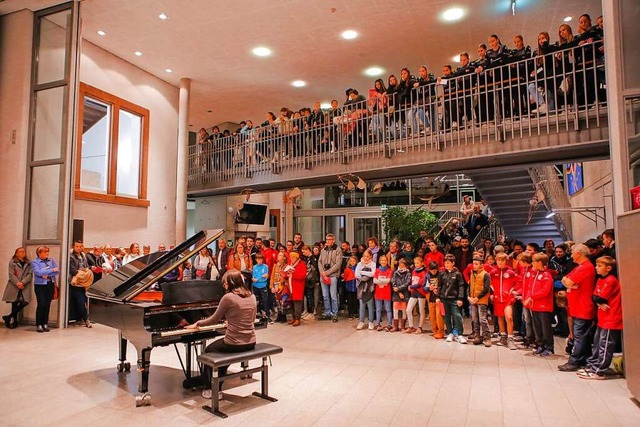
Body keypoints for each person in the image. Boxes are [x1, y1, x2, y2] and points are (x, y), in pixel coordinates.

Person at [185, 270, 256, 399]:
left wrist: (197, 324)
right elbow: (251, 319)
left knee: (208, 351)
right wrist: (232, 321)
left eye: (224, 283)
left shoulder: (228, 297)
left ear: (230, 283)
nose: (223, 285)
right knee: (221, 354)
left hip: (234, 343)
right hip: (251, 342)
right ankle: (217, 386)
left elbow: (213, 320)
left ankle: (210, 389)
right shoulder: (251, 296)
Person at [579, 256, 622, 380]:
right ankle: (593, 365)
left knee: (605, 345)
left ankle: (599, 371)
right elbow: (593, 297)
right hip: (602, 317)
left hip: (611, 318)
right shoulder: (600, 279)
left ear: (608, 268)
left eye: (599, 266)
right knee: (597, 343)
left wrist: (598, 301)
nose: (596, 268)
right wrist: (598, 302)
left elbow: (599, 298)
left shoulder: (610, 280)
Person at [559, 243, 596, 372]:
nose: (571, 255)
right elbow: (566, 280)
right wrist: (569, 283)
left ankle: (574, 361)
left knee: (579, 336)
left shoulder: (585, 268)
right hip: (578, 306)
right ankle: (583, 359)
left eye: (573, 253)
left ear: (579, 253)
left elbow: (567, 281)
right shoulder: (580, 267)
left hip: (583, 307)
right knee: (581, 335)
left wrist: (569, 283)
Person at [525, 253, 555, 357]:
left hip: (544, 306)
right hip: (534, 306)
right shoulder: (534, 273)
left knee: (545, 327)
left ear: (540, 263)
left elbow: (545, 291)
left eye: (534, 261)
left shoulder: (547, 275)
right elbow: (529, 287)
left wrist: (531, 296)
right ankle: (540, 345)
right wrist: (528, 297)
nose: (532, 263)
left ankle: (549, 347)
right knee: (537, 327)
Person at [490, 252, 519, 349]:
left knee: (509, 317)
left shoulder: (510, 272)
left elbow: (520, 281)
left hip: (508, 299)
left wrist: (514, 290)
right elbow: (488, 284)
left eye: (502, 260)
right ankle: (503, 336)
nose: (500, 262)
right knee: (500, 318)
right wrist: (491, 294)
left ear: (506, 261)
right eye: (498, 260)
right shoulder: (493, 272)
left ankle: (510, 338)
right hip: (498, 299)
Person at [439, 254, 467, 343]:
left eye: (448, 263)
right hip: (444, 299)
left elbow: (461, 286)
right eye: (445, 263)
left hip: (455, 299)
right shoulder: (442, 273)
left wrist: (460, 298)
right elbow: (439, 286)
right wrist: (438, 297)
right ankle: (450, 333)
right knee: (447, 317)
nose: (446, 265)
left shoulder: (458, 274)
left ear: (453, 263)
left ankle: (460, 334)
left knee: (457, 316)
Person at [2, 247, 32, 329]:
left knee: (25, 301)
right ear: (16, 253)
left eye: (23, 251)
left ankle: (8, 317)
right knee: (14, 303)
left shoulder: (28, 263)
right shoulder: (12, 262)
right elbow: (11, 274)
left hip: (24, 285)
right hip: (14, 285)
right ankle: (14, 321)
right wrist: (18, 283)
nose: (22, 253)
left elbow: (30, 274)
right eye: (20, 251)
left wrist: (23, 282)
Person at [31, 246, 59, 332]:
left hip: (50, 284)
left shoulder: (51, 260)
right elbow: (38, 272)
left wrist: (47, 273)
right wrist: (51, 270)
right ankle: (39, 324)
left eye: (48, 251)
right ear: (39, 253)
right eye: (45, 252)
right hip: (40, 286)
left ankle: (45, 323)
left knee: (47, 305)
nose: (47, 253)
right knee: (41, 304)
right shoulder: (34, 262)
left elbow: (57, 271)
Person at [318, 233, 343, 322]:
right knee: (325, 295)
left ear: (333, 240)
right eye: (327, 239)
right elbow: (319, 262)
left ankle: (334, 313)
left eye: (329, 239)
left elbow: (337, 264)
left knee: (333, 296)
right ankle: (327, 312)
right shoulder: (323, 250)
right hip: (323, 275)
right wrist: (322, 273)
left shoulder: (338, 250)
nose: (327, 241)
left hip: (332, 276)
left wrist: (327, 273)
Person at [468, 257, 492, 346]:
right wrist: (469, 296)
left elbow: (486, 289)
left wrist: (477, 298)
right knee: (474, 318)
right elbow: (469, 285)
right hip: (472, 299)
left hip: (481, 300)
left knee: (483, 319)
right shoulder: (472, 273)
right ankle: (477, 335)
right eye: (473, 264)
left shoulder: (486, 274)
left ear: (482, 265)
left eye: (476, 264)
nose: (474, 266)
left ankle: (487, 337)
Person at [69, 240, 92, 327]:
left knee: (84, 300)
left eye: (80, 246)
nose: (78, 248)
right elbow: (72, 270)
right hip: (76, 282)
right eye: (77, 246)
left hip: (84, 282)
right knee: (80, 301)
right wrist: (82, 273)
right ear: (73, 247)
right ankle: (86, 319)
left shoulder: (83, 255)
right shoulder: (71, 257)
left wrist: (86, 272)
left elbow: (86, 267)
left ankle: (80, 318)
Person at [405, 256, 428, 334]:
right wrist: (411, 287)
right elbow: (413, 281)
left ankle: (420, 327)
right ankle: (411, 326)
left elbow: (420, 283)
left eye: (418, 263)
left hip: (421, 293)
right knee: (408, 309)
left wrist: (410, 286)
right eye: (415, 263)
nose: (416, 265)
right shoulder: (414, 271)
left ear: (422, 263)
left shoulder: (424, 272)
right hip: (414, 292)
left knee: (421, 310)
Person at [355, 249, 376, 330]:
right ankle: (361, 321)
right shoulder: (360, 264)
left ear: (370, 256)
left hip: (370, 287)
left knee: (370, 305)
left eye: (367, 256)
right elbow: (357, 275)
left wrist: (362, 272)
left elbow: (373, 274)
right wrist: (366, 276)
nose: (366, 258)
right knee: (362, 305)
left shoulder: (373, 264)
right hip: (361, 286)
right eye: (364, 256)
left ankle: (371, 322)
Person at [285, 251, 306, 326]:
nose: (291, 259)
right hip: (290, 286)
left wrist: (293, 274)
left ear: (296, 257)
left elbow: (303, 275)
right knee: (291, 302)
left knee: (297, 303)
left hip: (298, 286)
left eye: (292, 257)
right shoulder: (291, 265)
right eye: (290, 257)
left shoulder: (302, 264)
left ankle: (297, 318)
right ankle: (293, 317)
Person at [373, 254, 393, 331]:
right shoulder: (377, 270)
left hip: (387, 292)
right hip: (378, 292)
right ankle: (378, 324)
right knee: (378, 309)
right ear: (379, 261)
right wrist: (383, 282)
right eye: (382, 260)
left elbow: (388, 280)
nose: (383, 262)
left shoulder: (389, 270)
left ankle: (389, 324)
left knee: (388, 309)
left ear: (387, 261)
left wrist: (379, 281)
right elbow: (374, 281)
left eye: (385, 260)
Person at [390, 258, 411, 332]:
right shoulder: (396, 272)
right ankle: (395, 326)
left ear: (406, 266)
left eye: (402, 265)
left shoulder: (408, 273)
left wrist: (399, 289)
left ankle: (402, 327)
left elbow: (407, 283)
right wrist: (398, 291)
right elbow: (393, 282)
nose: (401, 266)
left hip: (404, 293)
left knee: (403, 311)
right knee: (395, 310)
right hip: (396, 294)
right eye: (400, 265)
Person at [251, 253, 270, 319]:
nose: (259, 261)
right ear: (256, 260)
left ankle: (267, 314)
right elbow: (253, 276)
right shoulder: (254, 267)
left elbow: (265, 277)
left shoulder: (265, 267)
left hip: (263, 286)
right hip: (255, 286)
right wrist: (255, 279)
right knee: (257, 300)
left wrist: (258, 279)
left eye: (261, 259)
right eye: (258, 259)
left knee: (265, 300)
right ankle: (258, 313)